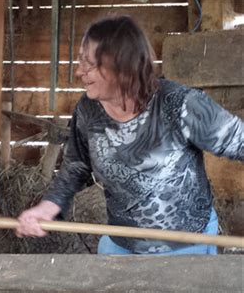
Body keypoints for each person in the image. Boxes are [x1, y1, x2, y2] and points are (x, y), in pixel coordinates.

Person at [15, 15, 243, 254]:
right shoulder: (88, 110)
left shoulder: (180, 104)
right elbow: (77, 164)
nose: (79, 71)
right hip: (122, 245)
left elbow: (240, 141)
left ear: (121, 66)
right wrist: (49, 205)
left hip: (190, 247)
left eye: (88, 64)